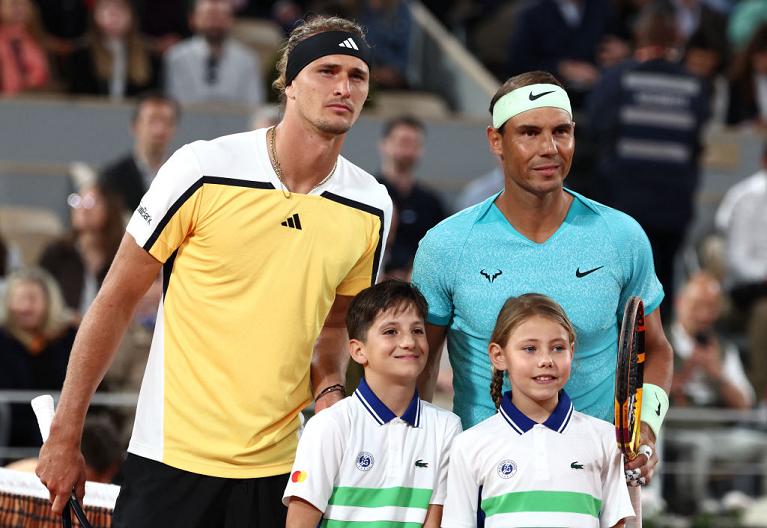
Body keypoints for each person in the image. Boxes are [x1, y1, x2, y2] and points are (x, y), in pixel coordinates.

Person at [35, 15, 392, 527]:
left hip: (280, 471)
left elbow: (335, 325)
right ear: (288, 83)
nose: (343, 86)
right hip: (170, 458)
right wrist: (64, 436)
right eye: (326, 70)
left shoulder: (370, 204)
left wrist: (331, 389)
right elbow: (114, 301)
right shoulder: (201, 167)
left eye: (357, 76)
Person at [412, 70, 674, 489]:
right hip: (484, 482)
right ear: (495, 141)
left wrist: (644, 428)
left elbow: (656, 349)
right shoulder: (446, 245)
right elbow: (420, 365)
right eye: (529, 133)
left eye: (561, 132)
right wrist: (421, 461)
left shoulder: (622, 237)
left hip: (596, 479)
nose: (549, 148)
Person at [443, 293, 635, 527]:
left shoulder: (605, 438)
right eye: (530, 348)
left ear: (571, 352)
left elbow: (616, 523)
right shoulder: (469, 445)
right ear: (499, 355)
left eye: (557, 348)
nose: (546, 360)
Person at [283, 279, 461, 527]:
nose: (408, 342)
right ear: (358, 351)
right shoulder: (330, 425)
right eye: (391, 332)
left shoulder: (446, 427)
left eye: (417, 330)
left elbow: (435, 521)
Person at [587, 4, 709, 319]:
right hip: (673, 209)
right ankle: (657, 360)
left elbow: (596, 130)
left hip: (623, 209)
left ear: (638, 37)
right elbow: (696, 145)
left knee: (619, 296)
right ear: (675, 39)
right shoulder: (694, 85)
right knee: (660, 296)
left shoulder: (617, 79)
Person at [665, 272, 767, 511]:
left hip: (718, 432)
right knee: (698, 447)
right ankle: (697, 514)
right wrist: (686, 371)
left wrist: (716, 374)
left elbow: (744, 406)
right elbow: (641, 394)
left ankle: (760, 512)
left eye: (711, 308)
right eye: (698, 306)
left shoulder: (724, 349)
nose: (704, 315)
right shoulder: (659, 343)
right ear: (680, 303)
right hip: (674, 430)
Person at [0, 267, 76, 449]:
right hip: (9, 434)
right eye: (19, 299)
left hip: (58, 429)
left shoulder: (67, 337)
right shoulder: (2, 338)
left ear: (49, 302)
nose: (25, 307)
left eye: (32, 299)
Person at [714, 146, 767, 402]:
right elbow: (738, 261)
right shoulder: (748, 196)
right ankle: (761, 396)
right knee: (764, 313)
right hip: (743, 295)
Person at [39, 183, 125, 315]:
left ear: (109, 208)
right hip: (64, 332)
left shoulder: (121, 255)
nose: (82, 208)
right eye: (77, 201)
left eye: (90, 202)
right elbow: (40, 291)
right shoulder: (58, 252)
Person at [377, 115, 446, 274]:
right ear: (384, 145)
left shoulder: (431, 202)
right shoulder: (367, 194)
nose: (408, 150)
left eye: (415, 144)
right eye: (402, 142)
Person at [163, 0, 264, 107]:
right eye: (209, 16)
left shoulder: (248, 60)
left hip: (237, 122)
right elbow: (174, 106)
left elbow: (254, 107)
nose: (215, 23)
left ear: (232, 20)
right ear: (192, 19)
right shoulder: (176, 57)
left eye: (221, 16)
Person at [97, 93, 180, 213]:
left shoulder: (183, 175)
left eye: (167, 122)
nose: (159, 130)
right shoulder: (113, 178)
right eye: (152, 121)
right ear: (135, 126)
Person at [64, 0, 160, 99]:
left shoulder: (150, 54)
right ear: (94, 15)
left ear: (132, 15)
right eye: (106, 7)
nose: (113, 13)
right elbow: (76, 98)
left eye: (120, 7)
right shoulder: (81, 54)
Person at [0, 0, 50, 95]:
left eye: (24, 4)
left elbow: (41, 70)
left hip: (30, 96)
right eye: (13, 3)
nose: (19, 8)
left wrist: (31, 81)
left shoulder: (33, 38)